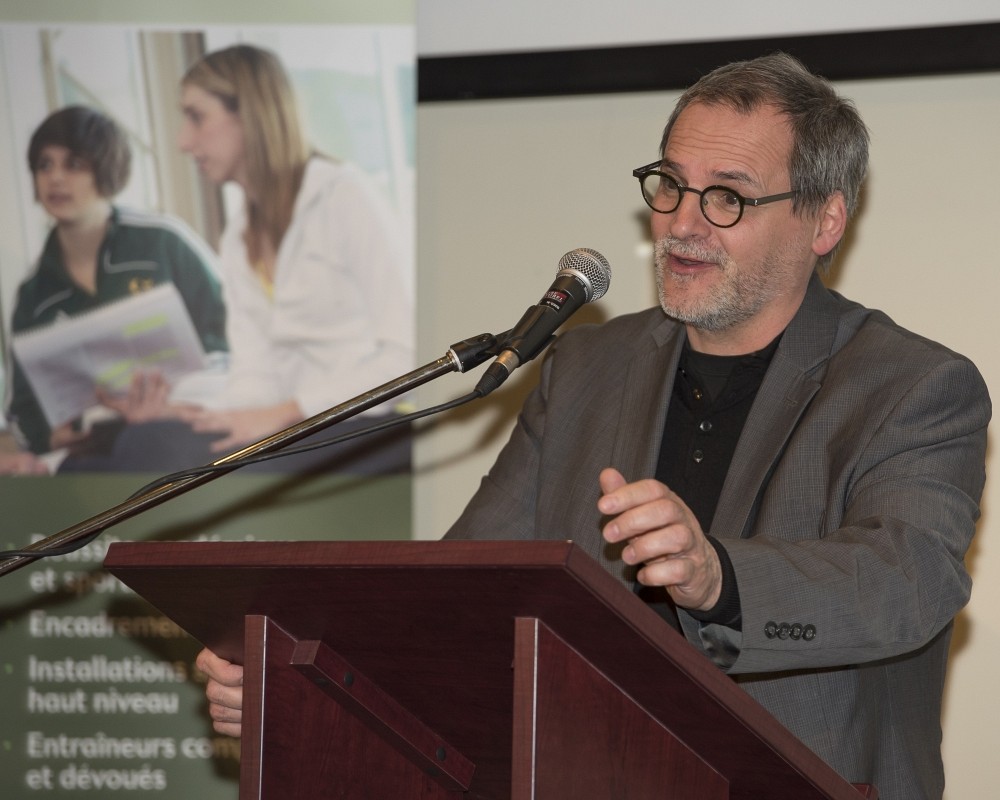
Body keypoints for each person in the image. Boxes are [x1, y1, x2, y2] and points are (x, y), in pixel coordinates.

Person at [196, 53, 991, 799]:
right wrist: (302, 675)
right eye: (671, 185)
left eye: (728, 196)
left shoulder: (912, 387)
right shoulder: (585, 368)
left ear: (824, 221)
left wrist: (719, 579)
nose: (682, 222)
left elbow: (909, 580)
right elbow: (468, 591)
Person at [175, 44, 414, 459]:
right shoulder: (237, 238)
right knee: (146, 441)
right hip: (295, 432)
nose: (183, 141)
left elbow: (407, 355)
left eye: (196, 117)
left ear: (248, 113)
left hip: (365, 428)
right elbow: (255, 377)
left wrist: (289, 412)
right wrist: (189, 414)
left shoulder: (343, 196)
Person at [5, 105, 227, 464]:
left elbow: (228, 334)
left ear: (105, 169)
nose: (56, 178)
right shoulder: (32, 295)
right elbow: (22, 410)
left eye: (73, 164)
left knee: (147, 448)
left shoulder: (162, 241)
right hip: (89, 449)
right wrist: (51, 435)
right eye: (44, 165)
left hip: (181, 424)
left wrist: (176, 400)